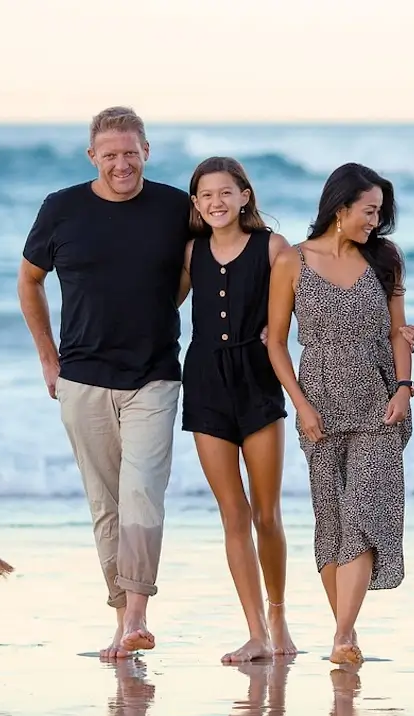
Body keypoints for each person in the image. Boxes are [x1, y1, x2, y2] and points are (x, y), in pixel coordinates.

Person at [17, 106, 191, 659]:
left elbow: (199, 266)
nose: (122, 164)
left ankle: (137, 614)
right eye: (110, 154)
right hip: (82, 378)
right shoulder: (61, 209)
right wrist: (49, 358)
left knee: (142, 494)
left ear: (147, 151)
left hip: (155, 374)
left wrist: (160, 313)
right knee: (106, 503)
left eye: (131, 153)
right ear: (93, 156)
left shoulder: (174, 206)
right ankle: (122, 620)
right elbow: (29, 280)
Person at [266, 162, 414, 666]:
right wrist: (300, 403)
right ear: (340, 208)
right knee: (330, 522)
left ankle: (344, 634)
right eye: (369, 211)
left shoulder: (386, 259)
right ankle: (345, 637)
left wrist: (403, 387)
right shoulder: (292, 261)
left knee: (362, 513)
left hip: (379, 401)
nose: (375, 222)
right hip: (320, 404)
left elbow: (399, 332)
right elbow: (276, 343)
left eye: (380, 213)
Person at [176, 156, 296, 663]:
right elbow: (159, 308)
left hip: (258, 381)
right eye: (206, 195)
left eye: (226, 193)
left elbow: (305, 303)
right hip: (204, 381)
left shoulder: (273, 247)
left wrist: (280, 330)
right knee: (233, 512)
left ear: (244, 196)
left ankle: (277, 615)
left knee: (266, 513)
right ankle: (254, 632)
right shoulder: (191, 252)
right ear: (196, 204)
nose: (216, 203)